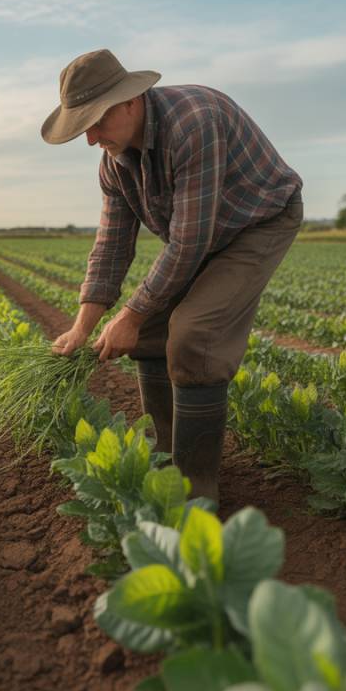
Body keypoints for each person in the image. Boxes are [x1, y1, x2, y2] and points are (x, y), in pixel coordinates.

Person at [42, 48, 303, 501]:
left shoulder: (194, 123)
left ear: (129, 101)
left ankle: (195, 493)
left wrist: (130, 314)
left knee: (193, 335)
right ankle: (165, 460)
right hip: (202, 232)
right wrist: (83, 327)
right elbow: (111, 245)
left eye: (96, 122)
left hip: (256, 224)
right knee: (148, 332)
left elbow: (188, 242)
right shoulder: (115, 164)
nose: (90, 139)